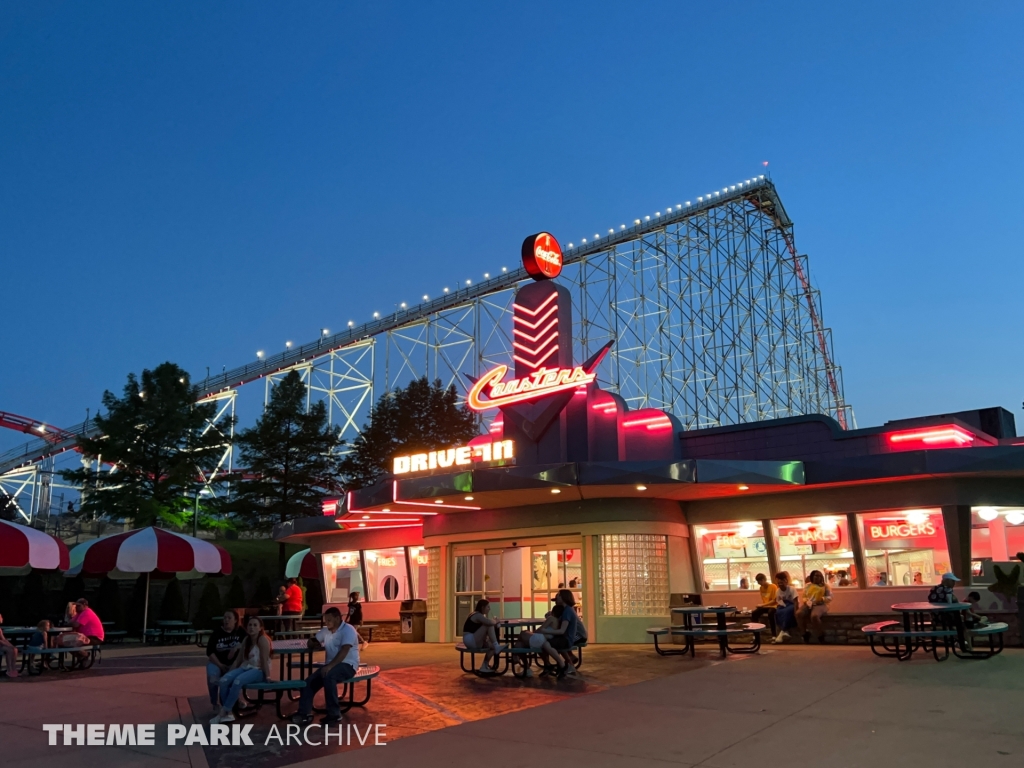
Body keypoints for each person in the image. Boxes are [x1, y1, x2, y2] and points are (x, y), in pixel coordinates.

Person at [292, 606, 360, 725]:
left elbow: (344, 651)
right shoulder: (326, 630)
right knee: (308, 682)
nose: (326, 623)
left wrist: (329, 667)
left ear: (337, 618)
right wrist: (313, 643)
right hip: (330, 666)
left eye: (329, 620)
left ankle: (334, 714)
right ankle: (304, 713)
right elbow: (313, 640)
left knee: (329, 676)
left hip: (348, 665)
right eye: (325, 620)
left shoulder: (348, 630)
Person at [210, 616, 272, 724]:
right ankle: (229, 714)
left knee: (237, 681)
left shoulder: (262, 640)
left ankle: (223, 712)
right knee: (224, 681)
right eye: (250, 625)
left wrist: (268, 677)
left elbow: (264, 660)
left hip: (258, 670)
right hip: (246, 667)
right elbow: (238, 660)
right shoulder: (246, 640)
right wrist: (229, 674)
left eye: (255, 625)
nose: (251, 627)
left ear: (260, 628)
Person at [205, 611, 246, 709]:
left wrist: (237, 647)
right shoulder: (217, 632)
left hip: (235, 663)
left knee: (237, 676)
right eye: (225, 618)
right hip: (217, 662)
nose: (226, 620)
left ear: (235, 620)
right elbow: (209, 652)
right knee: (212, 675)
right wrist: (220, 665)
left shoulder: (241, 631)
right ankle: (214, 703)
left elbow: (249, 643)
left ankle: (235, 700)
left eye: (229, 618)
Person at [461, 599, 507, 674]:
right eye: (488, 607)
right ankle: (497, 645)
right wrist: (496, 621)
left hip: (473, 639)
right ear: (482, 607)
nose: (489, 609)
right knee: (489, 625)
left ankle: (484, 666)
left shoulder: (477, 615)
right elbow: (489, 622)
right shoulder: (477, 615)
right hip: (470, 639)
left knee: (492, 647)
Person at [796, 570, 832, 643]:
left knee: (814, 616)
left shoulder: (825, 586)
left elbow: (830, 597)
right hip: (809, 604)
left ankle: (820, 635)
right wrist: (806, 601)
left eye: (819, 576)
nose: (817, 577)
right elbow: (804, 596)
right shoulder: (808, 585)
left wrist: (821, 599)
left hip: (821, 604)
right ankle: (804, 634)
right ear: (812, 577)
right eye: (815, 576)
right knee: (798, 613)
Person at [772, 571, 798, 644]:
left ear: (786, 581)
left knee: (787, 611)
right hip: (783, 605)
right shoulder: (778, 591)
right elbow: (778, 601)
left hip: (791, 604)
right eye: (778, 582)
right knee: (778, 612)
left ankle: (783, 631)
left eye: (782, 581)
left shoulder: (792, 589)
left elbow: (796, 601)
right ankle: (785, 631)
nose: (780, 584)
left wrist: (796, 611)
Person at [0, 614, 18, 678]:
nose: (2, 618)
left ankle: (13, 667)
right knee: (9, 650)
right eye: (0, 617)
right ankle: (9, 668)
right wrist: (8, 646)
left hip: (1, 645)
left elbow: (4, 639)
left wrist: (11, 645)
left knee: (15, 649)